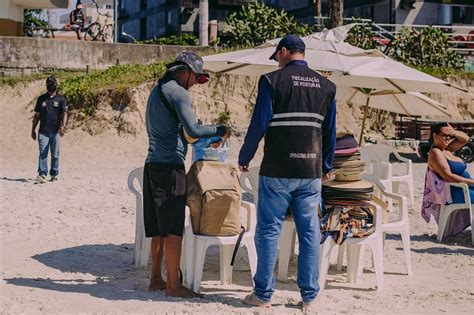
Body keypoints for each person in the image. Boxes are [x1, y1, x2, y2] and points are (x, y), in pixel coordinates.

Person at [238, 34, 337, 310]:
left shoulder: (271, 81)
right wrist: (326, 166)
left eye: (277, 57)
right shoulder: (326, 86)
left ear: (283, 52)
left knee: (269, 231)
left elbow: (259, 123)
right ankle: (309, 298)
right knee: (309, 234)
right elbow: (329, 132)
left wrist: (245, 156)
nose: (277, 62)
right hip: (310, 171)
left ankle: (263, 295)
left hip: (277, 169)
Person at [143, 51, 231, 298]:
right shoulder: (178, 93)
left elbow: (181, 132)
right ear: (184, 71)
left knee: (158, 228)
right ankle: (173, 285)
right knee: (173, 229)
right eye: (195, 77)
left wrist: (204, 135)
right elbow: (193, 129)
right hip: (171, 166)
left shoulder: (158, 90)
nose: (195, 83)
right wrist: (221, 130)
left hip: (152, 164)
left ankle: (156, 279)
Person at [422, 122, 473, 235]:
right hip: (456, 192)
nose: (448, 137)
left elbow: (465, 139)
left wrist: (453, 132)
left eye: (449, 135)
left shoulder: (447, 149)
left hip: (464, 189)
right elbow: (448, 177)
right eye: (444, 134)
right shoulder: (436, 153)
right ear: (435, 136)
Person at [31, 77, 68, 184]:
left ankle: (54, 173)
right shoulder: (41, 99)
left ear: (55, 85)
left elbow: (65, 113)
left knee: (55, 154)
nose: (50, 86)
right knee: (43, 152)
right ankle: (42, 174)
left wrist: (63, 126)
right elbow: (37, 116)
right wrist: (33, 130)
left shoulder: (61, 99)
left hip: (55, 131)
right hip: (43, 131)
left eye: (51, 84)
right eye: (48, 84)